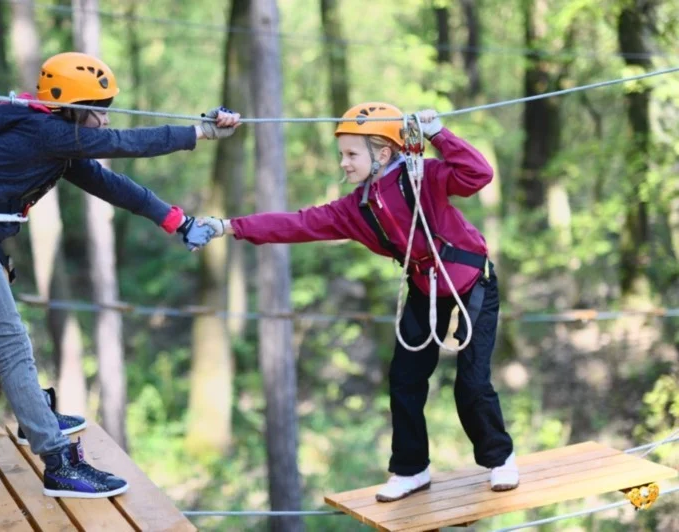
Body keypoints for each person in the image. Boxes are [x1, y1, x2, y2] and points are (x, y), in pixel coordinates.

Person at [0, 52, 240, 498]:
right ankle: (58, 464)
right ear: (71, 108)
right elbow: (128, 143)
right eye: (98, 107)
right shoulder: (44, 132)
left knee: (13, 341)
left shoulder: (54, 140)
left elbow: (115, 186)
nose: (105, 116)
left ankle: (37, 416)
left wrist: (178, 221)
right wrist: (199, 131)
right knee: (10, 343)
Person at [199, 102, 518, 502]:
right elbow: (297, 224)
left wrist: (439, 134)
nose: (344, 164)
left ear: (382, 153)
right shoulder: (356, 209)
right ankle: (412, 468)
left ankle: (499, 459)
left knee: (470, 382)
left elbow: (478, 174)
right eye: (342, 155)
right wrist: (229, 226)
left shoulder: (423, 177)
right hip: (424, 284)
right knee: (404, 378)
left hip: (472, 281)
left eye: (351, 154)